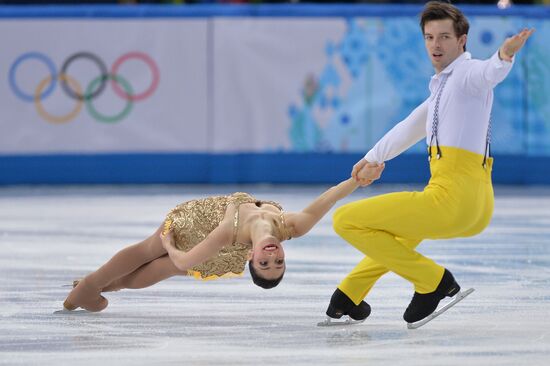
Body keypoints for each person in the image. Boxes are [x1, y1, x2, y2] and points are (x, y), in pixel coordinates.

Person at [324, 1, 534, 325]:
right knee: (402, 232)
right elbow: (409, 126)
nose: (435, 45)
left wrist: (504, 56)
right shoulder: (442, 88)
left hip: (452, 200)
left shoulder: (466, 74)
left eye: (444, 37)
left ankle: (433, 281)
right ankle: (350, 293)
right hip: (476, 206)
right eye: (429, 37)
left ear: (462, 40)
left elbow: (487, 72)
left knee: (345, 220)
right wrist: (372, 158)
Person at [62, 164, 384, 312]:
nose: (272, 256)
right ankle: (92, 288)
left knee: (164, 262)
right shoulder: (293, 226)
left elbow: (185, 261)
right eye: (278, 262)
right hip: (199, 221)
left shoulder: (231, 233)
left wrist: (171, 245)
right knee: (148, 249)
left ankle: (96, 288)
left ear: (251, 259)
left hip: (206, 243)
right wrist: (357, 179)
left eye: (265, 263)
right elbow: (328, 198)